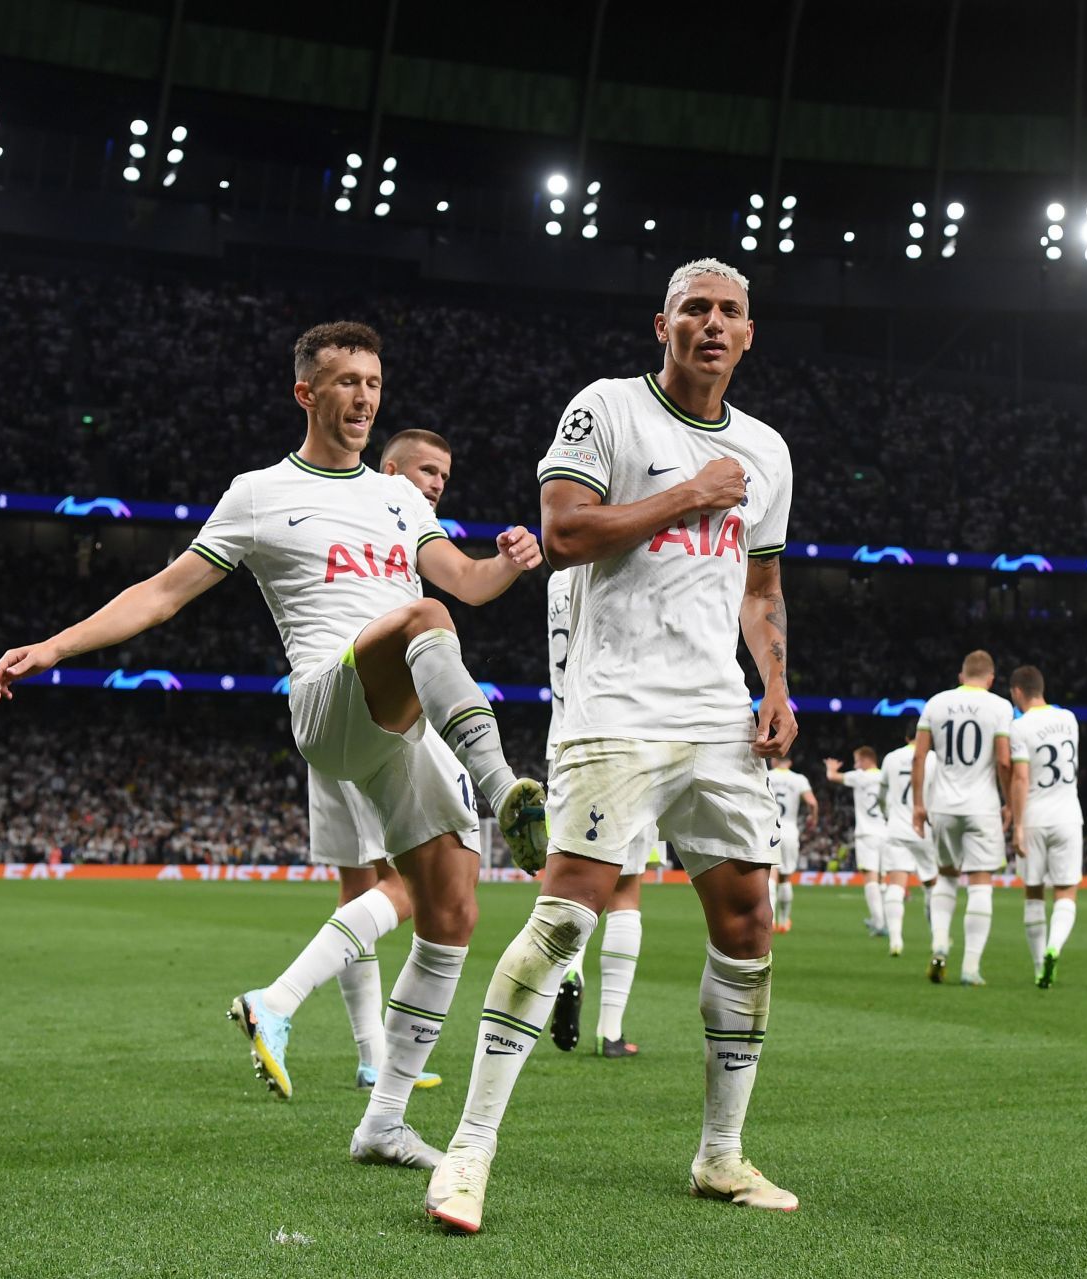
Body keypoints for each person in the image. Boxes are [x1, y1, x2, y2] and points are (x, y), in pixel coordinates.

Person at [0, 322, 548, 1170]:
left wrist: (508, 562)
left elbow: (463, 582)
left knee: (452, 911)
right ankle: (503, 783)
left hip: (404, 714)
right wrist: (56, 647)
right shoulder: (257, 492)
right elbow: (164, 592)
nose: (364, 397)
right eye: (347, 382)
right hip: (329, 697)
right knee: (421, 620)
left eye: (374, 382)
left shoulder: (400, 497)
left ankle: (383, 1122)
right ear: (306, 393)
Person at [424, 259, 799, 1232]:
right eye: (695, 311)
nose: (712, 325)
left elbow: (761, 592)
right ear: (662, 325)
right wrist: (688, 494)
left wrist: (775, 685)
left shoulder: (766, 450)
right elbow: (564, 529)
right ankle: (467, 1154)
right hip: (615, 705)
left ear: (749, 334)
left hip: (718, 712)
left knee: (749, 924)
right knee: (564, 918)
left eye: (730, 313)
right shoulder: (608, 410)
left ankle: (721, 1156)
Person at [239, 428, 461, 1096]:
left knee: (358, 889)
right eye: (426, 469)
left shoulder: (405, 529)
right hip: (370, 716)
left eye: (445, 477)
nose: (435, 484)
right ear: (389, 470)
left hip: (337, 706)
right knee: (414, 888)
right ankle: (277, 998)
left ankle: (372, 1057)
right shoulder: (376, 509)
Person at [544, 564, 644, 1059]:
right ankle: (611, 1031)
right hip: (625, 739)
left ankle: (570, 968)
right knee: (625, 891)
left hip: (563, 742)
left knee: (575, 888)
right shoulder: (627, 564)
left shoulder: (557, 579)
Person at [912, 650, 1014, 986]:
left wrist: (918, 804)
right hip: (982, 805)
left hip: (942, 804)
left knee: (946, 876)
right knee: (980, 881)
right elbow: (1003, 761)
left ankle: (940, 943)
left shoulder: (936, 703)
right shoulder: (1000, 706)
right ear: (991, 678)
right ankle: (971, 968)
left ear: (961, 675)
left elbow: (920, 756)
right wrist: (1009, 802)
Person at [1007, 666, 1082, 989]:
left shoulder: (1019, 727)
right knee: (1066, 892)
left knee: (1033, 891)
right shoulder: (1069, 719)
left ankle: (1040, 968)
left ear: (1017, 693)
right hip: (1068, 815)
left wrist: (1018, 825)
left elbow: (1021, 777)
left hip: (1035, 816)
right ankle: (1055, 946)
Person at [877, 730, 937, 957]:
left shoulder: (891, 758)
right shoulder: (933, 759)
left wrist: (887, 814)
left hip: (897, 827)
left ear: (906, 737)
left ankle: (895, 940)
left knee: (896, 884)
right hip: (925, 829)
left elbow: (882, 794)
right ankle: (937, 938)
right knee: (932, 885)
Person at [824, 747, 888, 938]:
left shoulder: (860, 777)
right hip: (887, 832)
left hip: (867, 834)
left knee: (870, 878)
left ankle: (878, 923)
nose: (855, 765)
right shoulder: (886, 776)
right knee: (884, 878)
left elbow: (833, 777)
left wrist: (830, 767)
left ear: (867, 760)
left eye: (857, 761)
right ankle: (886, 919)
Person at [767, 756, 819, 932]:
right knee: (786, 877)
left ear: (774, 760)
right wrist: (813, 818)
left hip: (769, 828)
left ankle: (770, 920)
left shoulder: (767, 774)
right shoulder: (799, 779)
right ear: (790, 762)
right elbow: (812, 802)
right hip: (789, 831)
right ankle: (784, 921)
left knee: (771, 874)